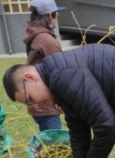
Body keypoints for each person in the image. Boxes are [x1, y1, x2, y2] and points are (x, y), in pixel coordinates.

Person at [23, 0, 66, 131]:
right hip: (45, 103)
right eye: (56, 13)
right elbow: (62, 72)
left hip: (37, 100)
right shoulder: (46, 39)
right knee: (55, 145)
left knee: (49, 142)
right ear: (49, 15)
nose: (57, 17)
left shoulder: (34, 34)